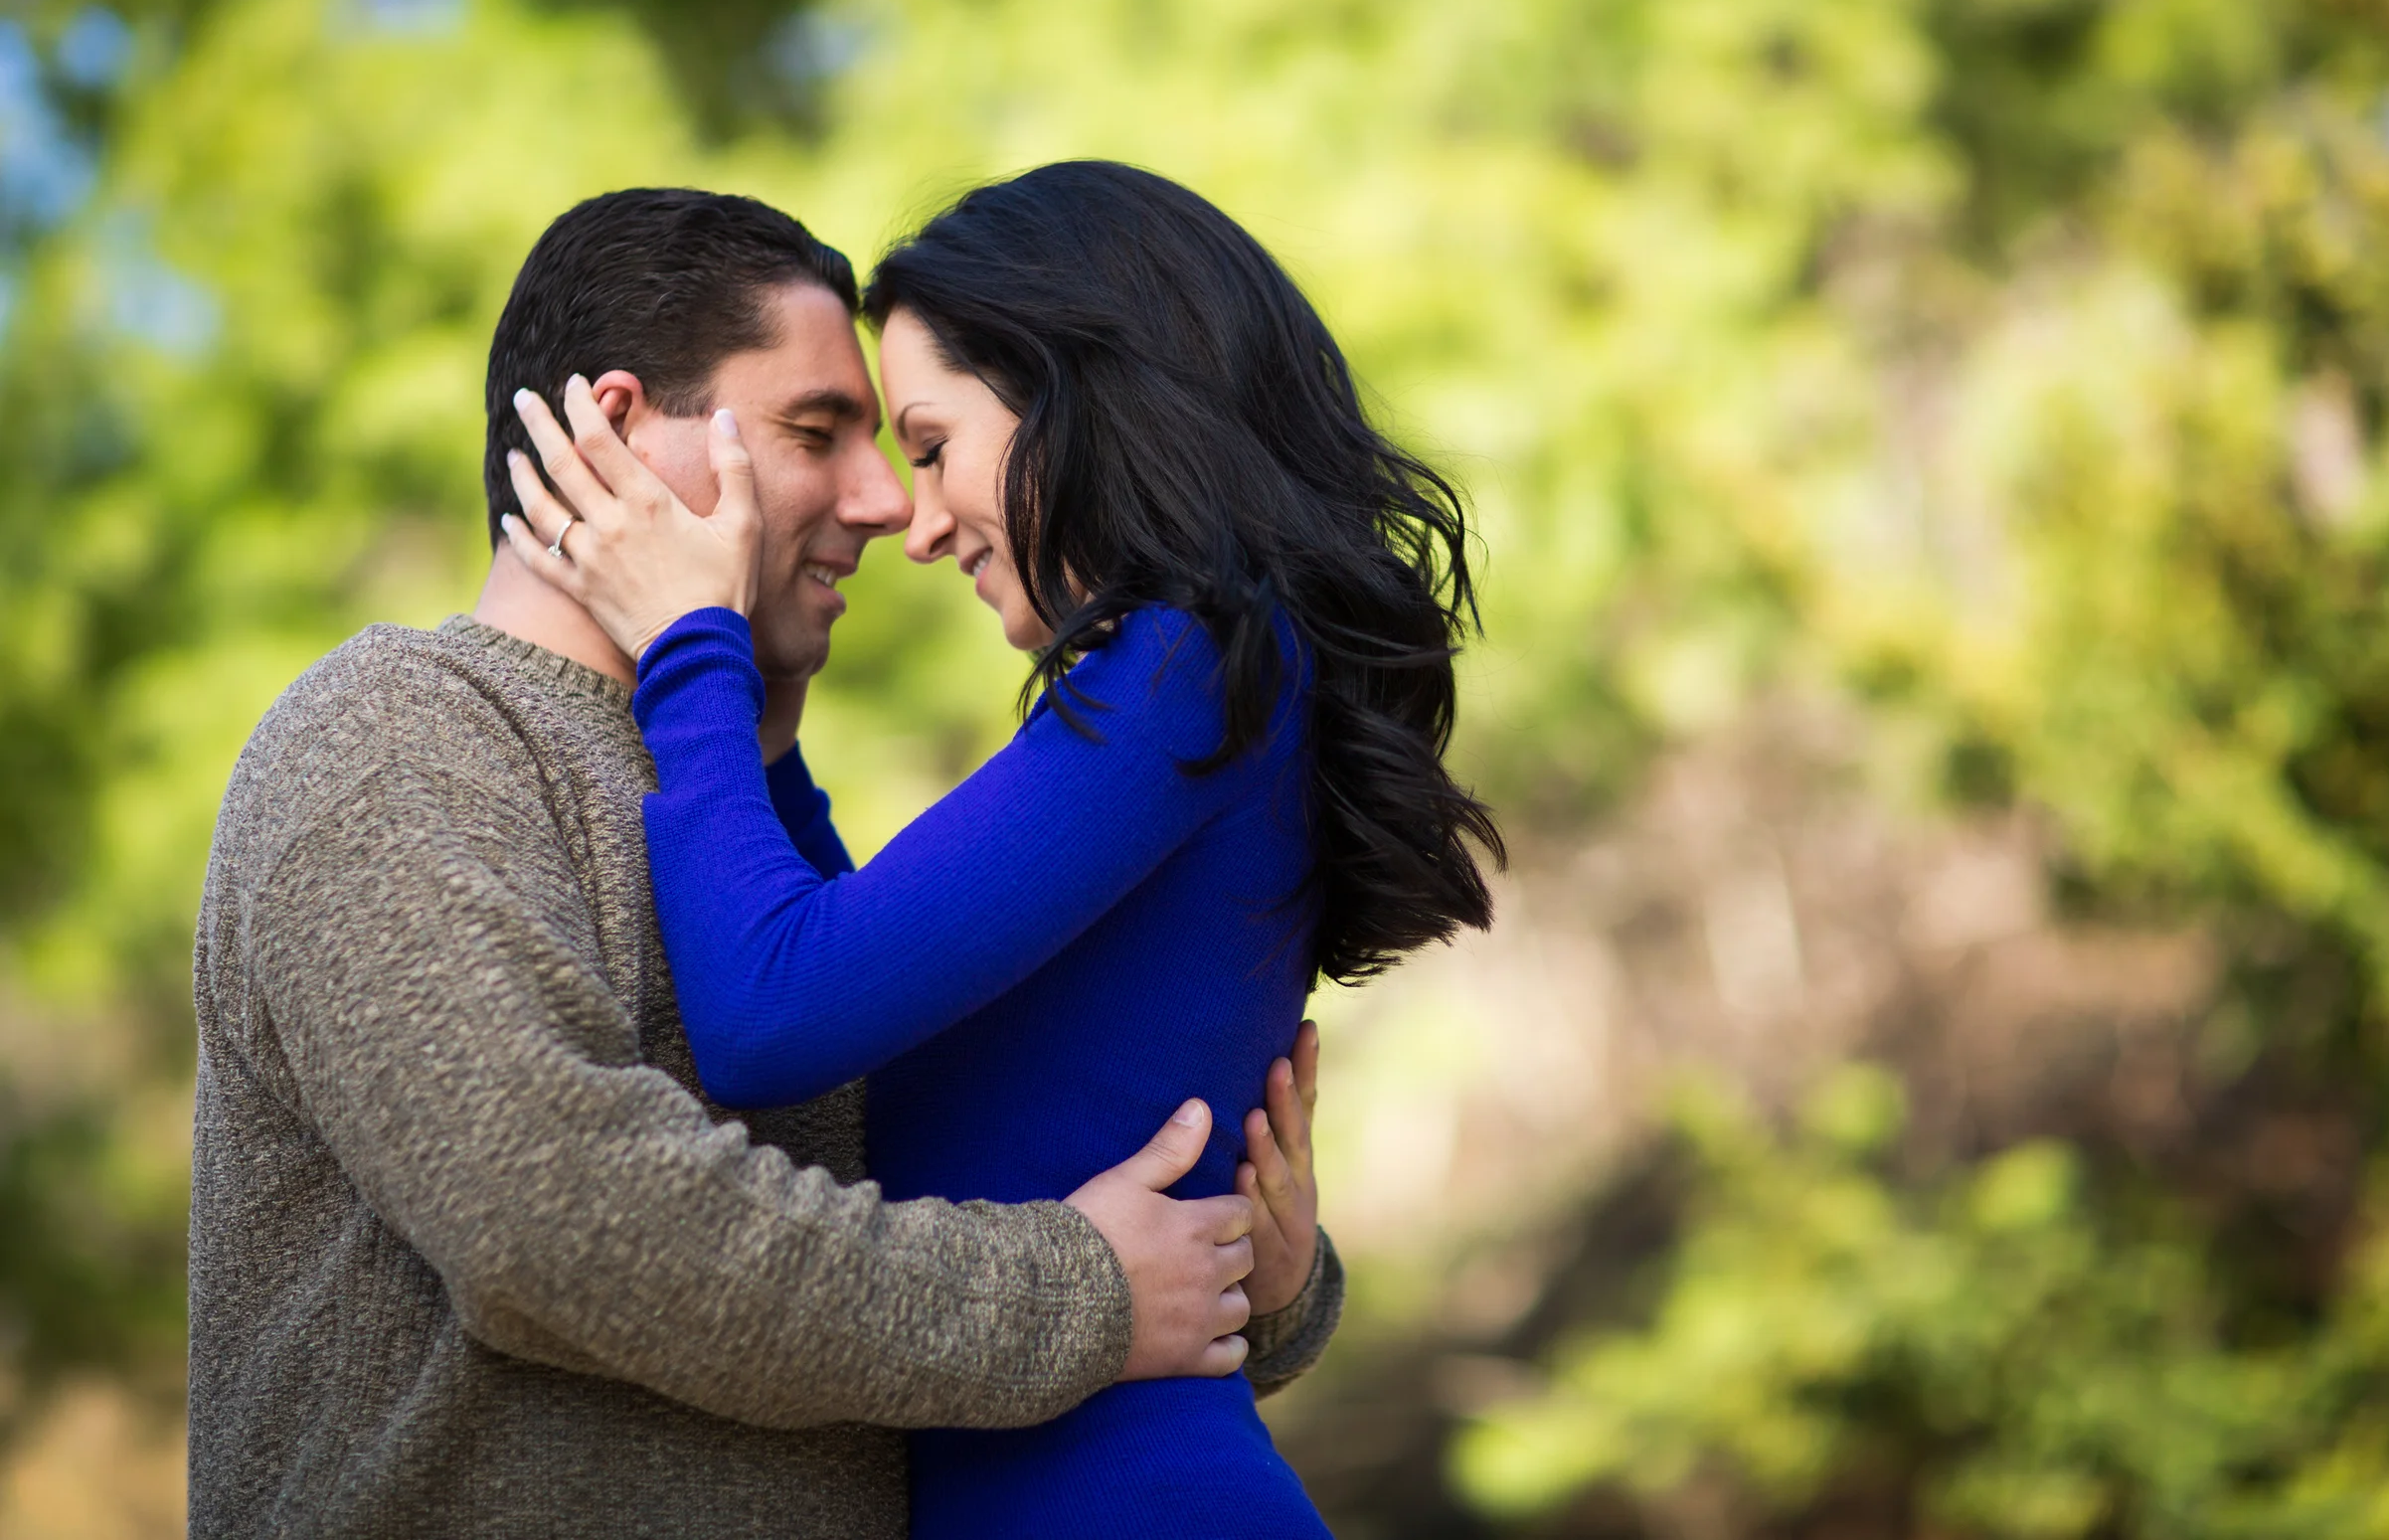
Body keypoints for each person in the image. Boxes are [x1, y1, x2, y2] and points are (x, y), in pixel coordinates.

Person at [188, 187, 1345, 1540]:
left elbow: (936, 1159)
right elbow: (556, 1227)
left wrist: (1277, 1280)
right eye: (817, 432)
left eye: (903, 441)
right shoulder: (404, 737)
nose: (882, 504)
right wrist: (1077, 1295)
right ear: (618, 432)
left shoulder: (734, 804)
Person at [501, 160, 1503, 1537]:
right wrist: (770, 726)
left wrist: (694, 653)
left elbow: (772, 1011)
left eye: (930, 443)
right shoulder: (1206, 679)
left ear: (1071, 396)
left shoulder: (1187, 665)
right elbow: (858, 986)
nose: (914, 520)